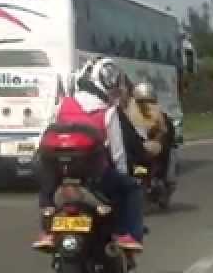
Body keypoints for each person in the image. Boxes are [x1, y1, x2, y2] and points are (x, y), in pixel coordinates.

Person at [32, 58, 145, 252]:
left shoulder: (63, 104)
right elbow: (118, 155)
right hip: (93, 175)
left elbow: (46, 134)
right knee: (131, 189)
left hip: (58, 171)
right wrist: (123, 176)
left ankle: (47, 231)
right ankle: (124, 234)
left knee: (48, 196)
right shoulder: (107, 111)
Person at [123, 81, 177, 192]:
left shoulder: (128, 109)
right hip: (147, 149)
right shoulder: (156, 110)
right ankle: (162, 179)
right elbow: (165, 130)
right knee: (168, 153)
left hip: (133, 151)